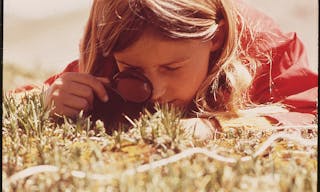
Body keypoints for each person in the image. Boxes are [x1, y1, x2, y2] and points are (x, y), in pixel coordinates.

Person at [14, 0, 318, 140]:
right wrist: (47, 99)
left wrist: (219, 127)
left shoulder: (268, 48)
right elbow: (21, 97)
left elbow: (308, 109)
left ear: (217, 38)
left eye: (172, 67)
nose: (156, 91)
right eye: (133, 69)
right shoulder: (114, 48)